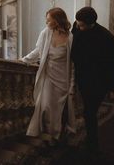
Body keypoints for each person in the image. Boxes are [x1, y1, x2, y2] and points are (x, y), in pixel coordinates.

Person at [20, 7, 76, 145]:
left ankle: (56, 136)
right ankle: (48, 134)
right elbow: (38, 51)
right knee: (45, 106)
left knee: (59, 110)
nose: (46, 22)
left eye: (49, 19)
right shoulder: (46, 33)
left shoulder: (70, 38)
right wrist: (23, 60)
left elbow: (73, 64)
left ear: (57, 21)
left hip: (63, 78)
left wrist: (72, 84)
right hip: (48, 76)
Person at [71, 7, 114, 153]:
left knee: (89, 113)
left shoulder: (107, 38)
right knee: (87, 111)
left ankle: (92, 144)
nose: (78, 27)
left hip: (99, 82)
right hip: (82, 78)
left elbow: (112, 64)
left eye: (81, 25)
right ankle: (90, 140)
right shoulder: (77, 26)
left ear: (91, 23)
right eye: (77, 24)